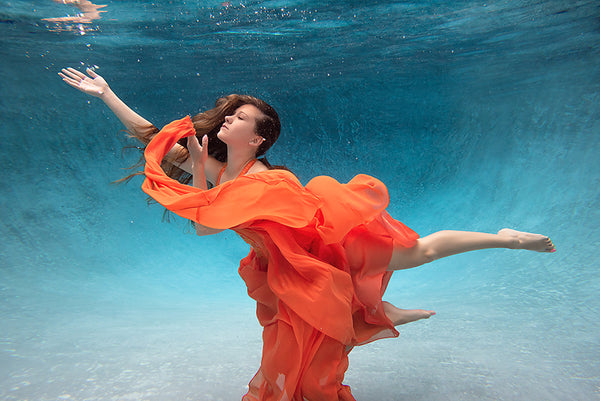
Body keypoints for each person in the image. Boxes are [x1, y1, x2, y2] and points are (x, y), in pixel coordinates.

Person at [59, 67, 556, 401]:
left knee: (418, 250)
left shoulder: (263, 180)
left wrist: (206, 181)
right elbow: (152, 138)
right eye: (229, 114)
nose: (226, 119)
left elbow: (206, 226)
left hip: (328, 248)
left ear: (256, 140)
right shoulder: (215, 166)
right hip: (286, 263)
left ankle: (504, 237)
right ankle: (374, 314)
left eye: (239, 119)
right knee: (301, 334)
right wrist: (107, 95)